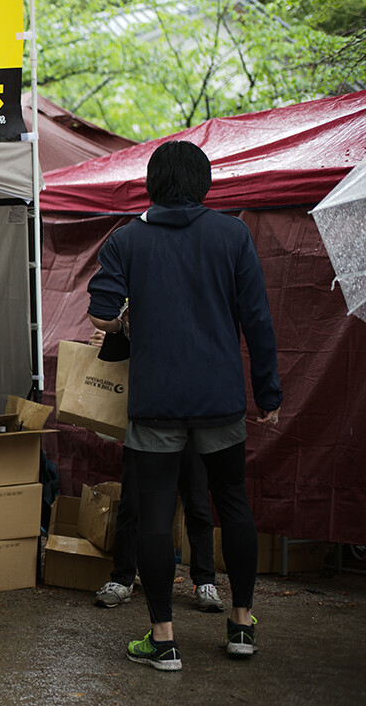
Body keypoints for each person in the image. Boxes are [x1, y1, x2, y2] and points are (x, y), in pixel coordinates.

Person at [87, 140, 282, 671]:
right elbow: (257, 320)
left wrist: (126, 321)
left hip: (156, 401)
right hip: (219, 399)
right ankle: (241, 626)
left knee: (154, 516)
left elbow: (101, 313)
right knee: (233, 505)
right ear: (203, 184)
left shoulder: (127, 239)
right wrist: (268, 393)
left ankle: (164, 641)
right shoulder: (233, 235)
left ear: (152, 184)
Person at [87, 330, 223, 613]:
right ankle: (123, 579)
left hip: (192, 421)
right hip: (147, 421)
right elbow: (115, 356)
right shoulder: (141, 312)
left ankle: (205, 581)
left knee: (198, 503)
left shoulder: (196, 316)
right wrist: (105, 343)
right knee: (132, 503)